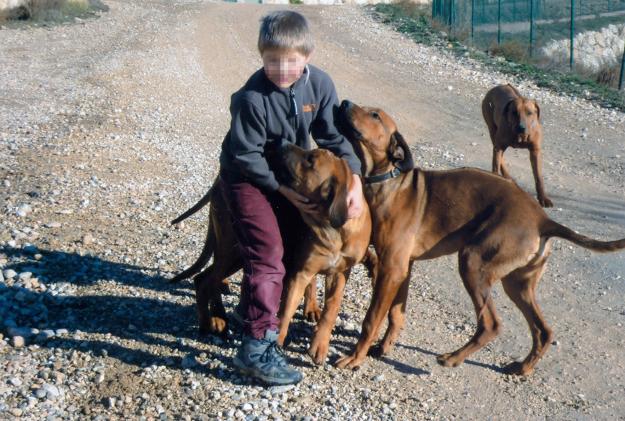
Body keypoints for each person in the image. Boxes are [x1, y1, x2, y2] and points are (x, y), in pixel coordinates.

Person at [218, 10, 364, 385]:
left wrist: (357, 182)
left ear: (307, 58)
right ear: (261, 56)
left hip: (289, 175)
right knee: (267, 255)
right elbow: (245, 155)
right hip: (247, 177)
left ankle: (252, 313)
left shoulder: (320, 85)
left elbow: (334, 138)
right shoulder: (252, 98)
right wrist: (283, 191)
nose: (282, 69)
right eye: (272, 61)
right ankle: (255, 349)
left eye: (291, 61)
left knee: (287, 250)